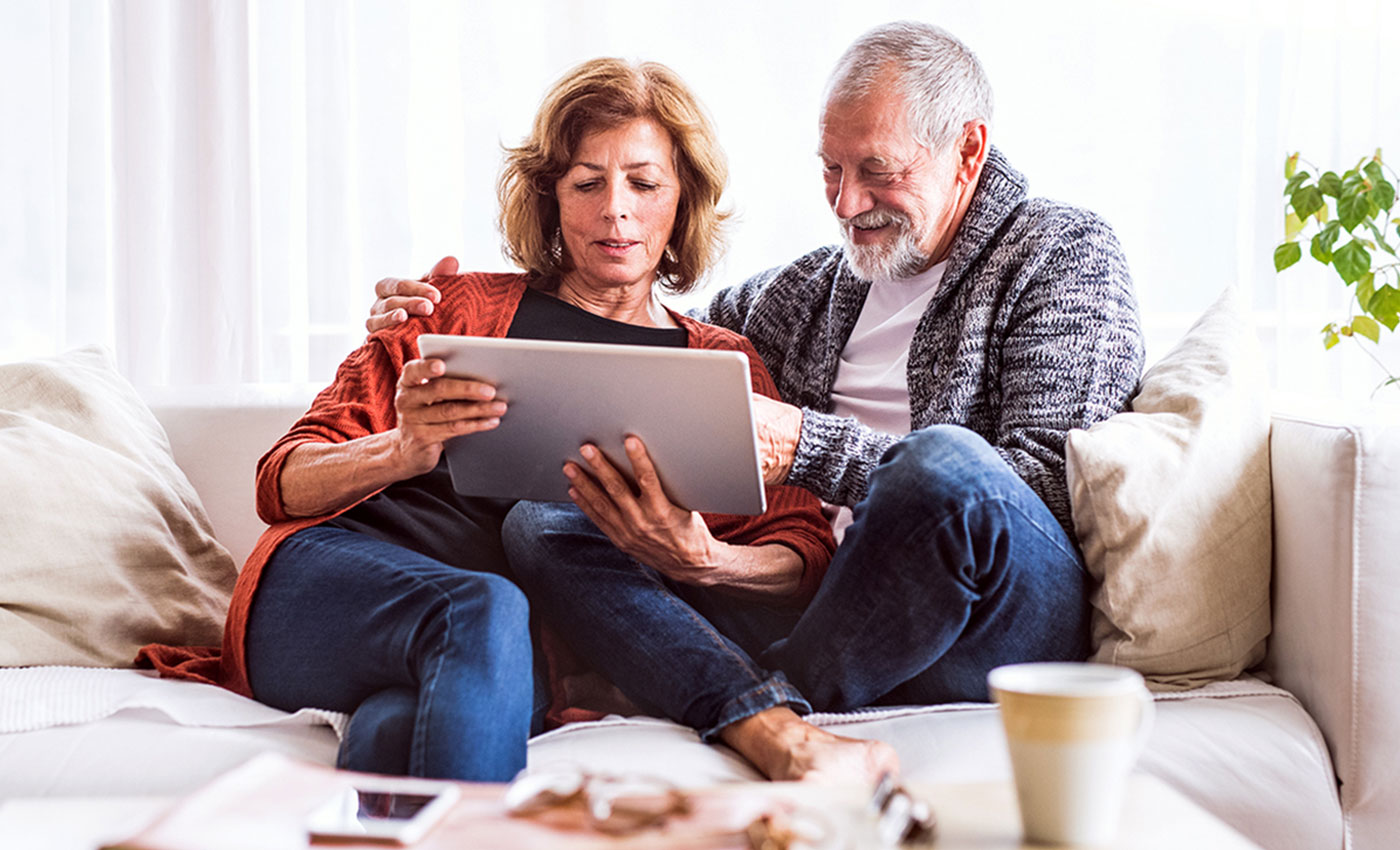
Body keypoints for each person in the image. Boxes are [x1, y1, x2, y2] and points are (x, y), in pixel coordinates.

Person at [369, 20, 1145, 731]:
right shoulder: (801, 294)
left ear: (968, 150)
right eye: (830, 169)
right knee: (551, 522)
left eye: (876, 171)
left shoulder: (1059, 252)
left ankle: (755, 704)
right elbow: (642, 331)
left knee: (944, 464)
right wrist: (450, 311)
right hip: (813, 607)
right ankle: (747, 698)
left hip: (992, 620)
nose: (847, 203)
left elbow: (1043, 491)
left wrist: (807, 444)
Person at [137, 56, 857, 783]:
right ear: (551, 198)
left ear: (682, 202)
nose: (616, 209)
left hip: (500, 652)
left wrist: (704, 558)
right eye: (587, 182)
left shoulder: (720, 362)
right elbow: (278, 483)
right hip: (327, 592)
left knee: (395, 731)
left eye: (644, 182)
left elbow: (800, 555)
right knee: (480, 608)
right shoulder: (455, 308)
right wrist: (401, 449)